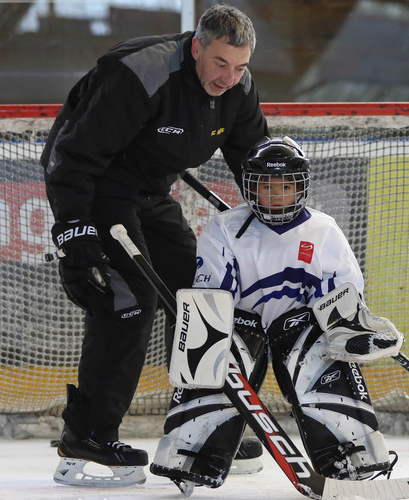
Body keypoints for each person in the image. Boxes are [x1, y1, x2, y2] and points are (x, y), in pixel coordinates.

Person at [40, 4, 269, 487]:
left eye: (240, 66)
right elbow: (71, 156)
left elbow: (254, 160)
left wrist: (277, 218)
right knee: (128, 300)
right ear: (196, 47)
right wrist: (73, 232)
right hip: (100, 190)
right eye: (220, 63)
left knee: (202, 298)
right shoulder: (139, 73)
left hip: (152, 193)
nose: (229, 77)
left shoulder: (238, 86)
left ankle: (201, 425)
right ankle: (88, 436)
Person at [149, 137, 405, 493]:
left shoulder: (323, 229)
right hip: (241, 328)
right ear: (250, 187)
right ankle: (190, 456)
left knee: (320, 354)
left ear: (301, 187)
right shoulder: (224, 227)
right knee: (215, 351)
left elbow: (338, 301)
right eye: (266, 186)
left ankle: (354, 457)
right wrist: (206, 343)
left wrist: (353, 332)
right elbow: (213, 300)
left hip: (300, 328)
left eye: (285, 186)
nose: (276, 195)